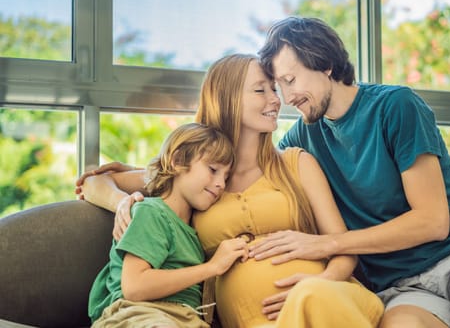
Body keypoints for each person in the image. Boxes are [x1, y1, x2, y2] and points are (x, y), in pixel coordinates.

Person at [247, 16, 450, 328]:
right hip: (404, 286)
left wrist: (330, 244)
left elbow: (433, 222)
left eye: (290, 80)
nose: (286, 97)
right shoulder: (304, 138)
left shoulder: (395, 105)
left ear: (325, 64)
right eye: (277, 86)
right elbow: (253, 168)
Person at [77, 54, 384, 328]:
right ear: (227, 98)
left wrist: (318, 281)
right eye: (260, 90)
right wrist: (123, 204)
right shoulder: (197, 174)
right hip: (252, 320)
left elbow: (344, 249)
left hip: (328, 303)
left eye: (274, 89)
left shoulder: (298, 163)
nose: (276, 99)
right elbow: (93, 182)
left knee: (311, 298)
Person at [87, 122, 249, 328]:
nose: (221, 184)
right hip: (137, 314)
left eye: (226, 177)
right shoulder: (151, 212)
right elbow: (134, 287)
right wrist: (212, 267)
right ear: (178, 161)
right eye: (213, 169)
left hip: (186, 319)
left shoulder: (196, 232)